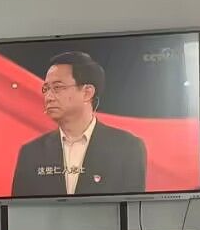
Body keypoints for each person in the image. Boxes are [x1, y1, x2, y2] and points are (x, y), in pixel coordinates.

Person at [9, 50, 147, 198]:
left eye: (57, 87)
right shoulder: (31, 153)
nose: (48, 97)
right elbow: (20, 207)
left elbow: (131, 205)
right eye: (46, 89)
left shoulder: (127, 148)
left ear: (87, 93)